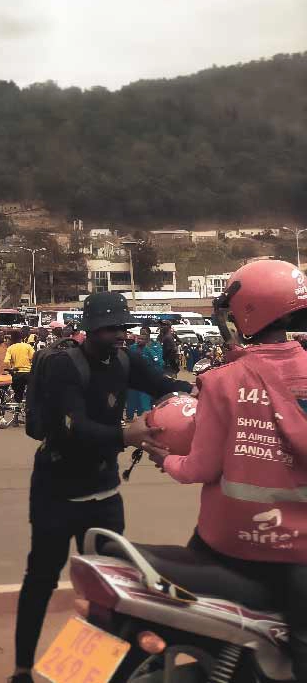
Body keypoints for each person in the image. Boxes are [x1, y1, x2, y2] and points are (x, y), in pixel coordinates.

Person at [9, 292, 190, 683]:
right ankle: (23, 668)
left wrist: (196, 391)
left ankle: (94, 672)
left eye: (122, 326)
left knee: (112, 587)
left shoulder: (124, 358)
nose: (119, 335)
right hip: (56, 491)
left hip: (104, 491)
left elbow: (163, 384)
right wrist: (128, 435)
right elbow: (72, 428)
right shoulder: (64, 366)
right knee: (41, 577)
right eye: (110, 328)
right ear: (89, 330)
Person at [139, 260, 307, 679]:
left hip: (225, 543)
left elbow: (199, 467)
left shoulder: (220, 381)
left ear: (246, 310)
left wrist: (165, 459)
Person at [124, 327, 161, 421]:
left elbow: (158, 363)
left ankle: (143, 417)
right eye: (138, 338)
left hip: (145, 378)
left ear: (146, 340)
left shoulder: (149, 350)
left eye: (142, 339)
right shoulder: (132, 348)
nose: (139, 340)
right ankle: (129, 417)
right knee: (131, 399)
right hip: (133, 378)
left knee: (144, 399)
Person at [5, 329, 35, 405]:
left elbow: (6, 361)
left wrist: (11, 369)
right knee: (31, 392)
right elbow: (34, 358)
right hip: (28, 373)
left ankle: (17, 410)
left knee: (18, 395)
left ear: (12, 339)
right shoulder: (28, 346)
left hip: (17, 374)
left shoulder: (10, 348)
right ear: (21, 338)